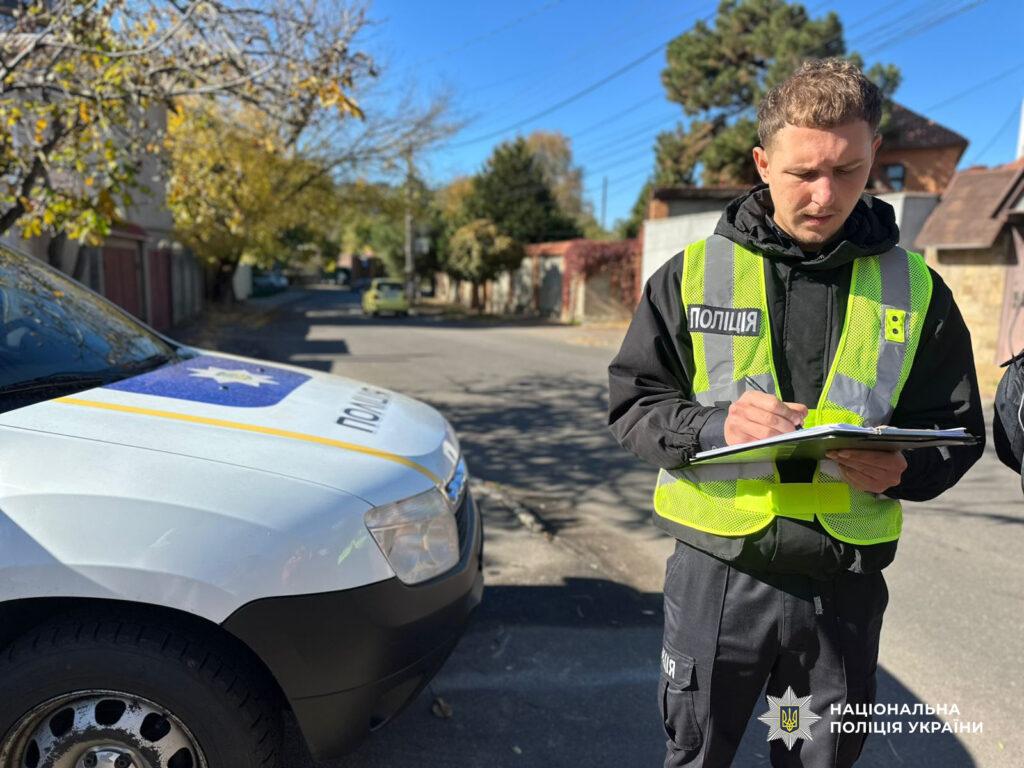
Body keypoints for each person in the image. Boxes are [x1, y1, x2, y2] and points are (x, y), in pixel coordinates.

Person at [607, 58, 984, 768]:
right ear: (761, 161)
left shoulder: (917, 289)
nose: (826, 193)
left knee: (817, 760)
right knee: (698, 756)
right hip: (720, 577)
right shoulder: (690, 275)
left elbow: (959, 429)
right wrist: (714, 428)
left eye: (849, 171)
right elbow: (634, 403)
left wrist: (905, 470)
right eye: (804, 172)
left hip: (841, 590)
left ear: (873, 160)